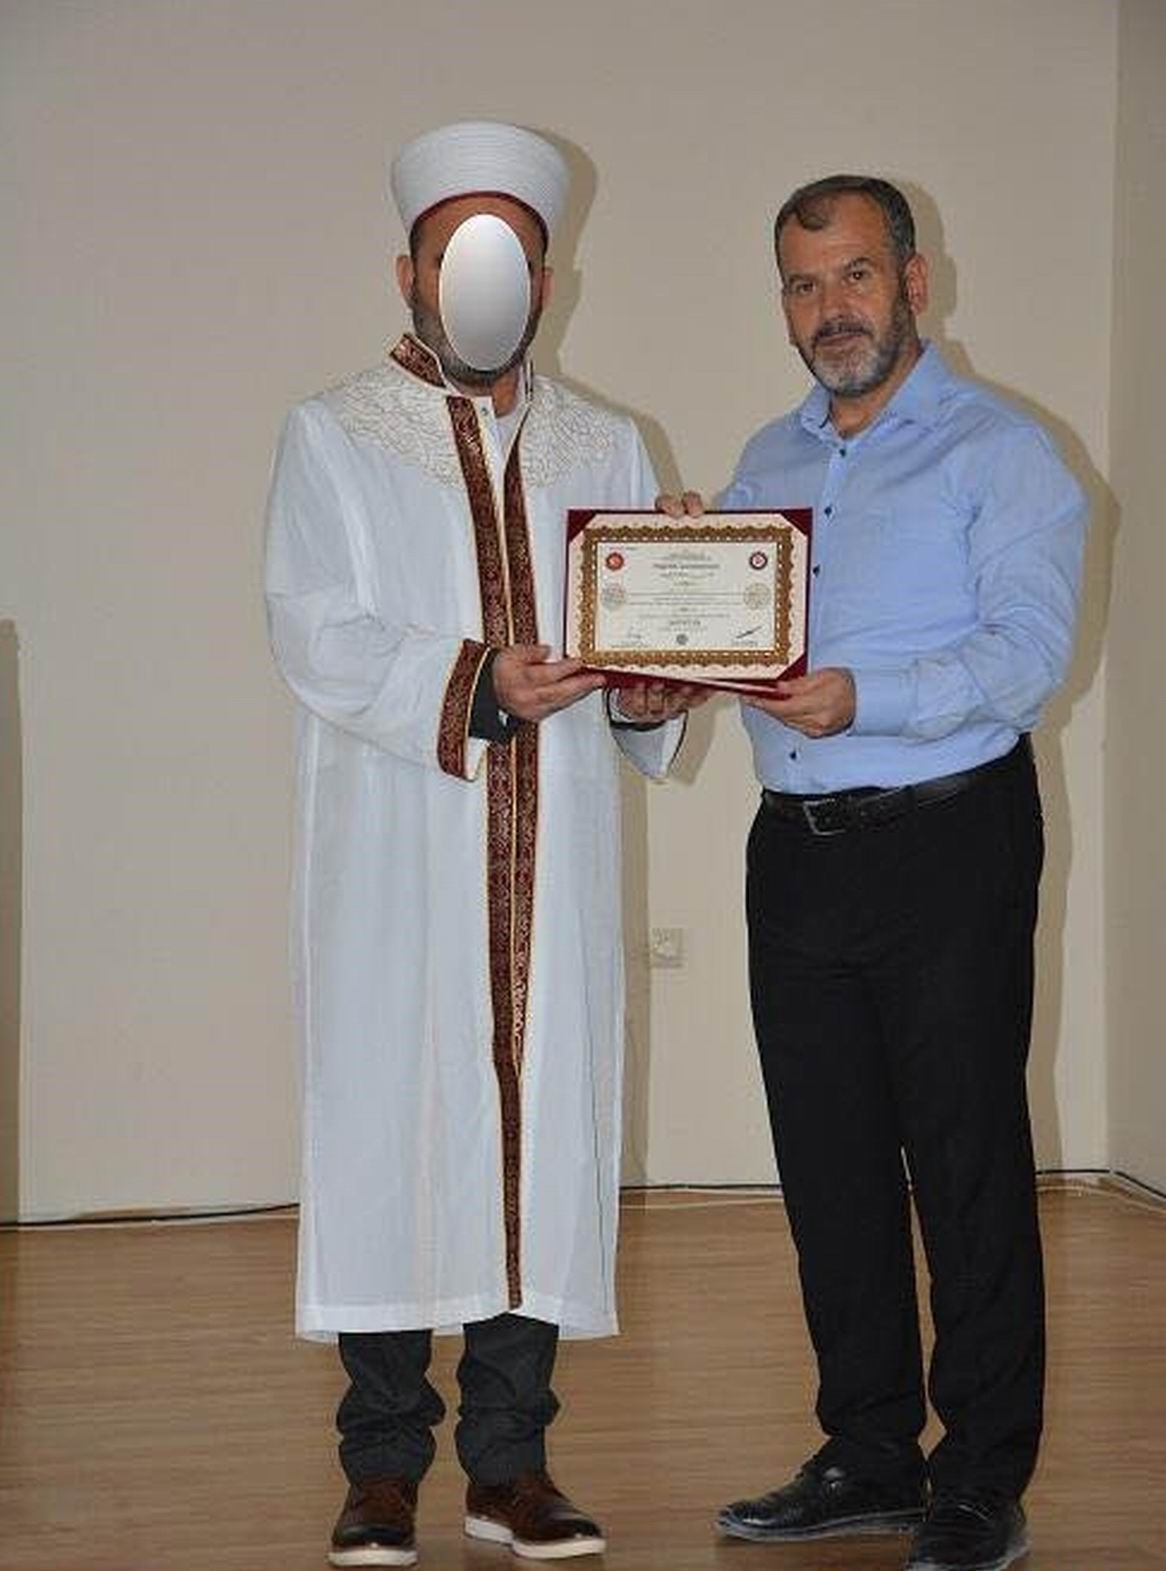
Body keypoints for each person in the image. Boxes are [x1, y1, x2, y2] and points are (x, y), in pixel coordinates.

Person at [264, 120, 699, 1568]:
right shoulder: (334, 433)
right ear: (409, 273)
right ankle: (382, 1467)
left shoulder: (605, 442)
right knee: (392, 1126)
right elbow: (317, 632)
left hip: (554, 857)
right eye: (453, 255)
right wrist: (478, 684)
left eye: (507, 259)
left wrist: (652, 687)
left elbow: (632, 651)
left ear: (546, 282)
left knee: (540, 1136)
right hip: (401, 849)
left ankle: (509, 1468)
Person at [663, 175, 1086, 1571]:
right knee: (827, 1169)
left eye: (852, 275)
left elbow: (1027, 656)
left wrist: (870, 697)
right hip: (793, 854)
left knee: (965, 1166)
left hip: (947, 839)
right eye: (802, 284)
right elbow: (719, 641)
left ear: (912, 280)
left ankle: (979, 1476)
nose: (828, 309)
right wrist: (657, 645)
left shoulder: (1001, 450)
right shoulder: (764, 460)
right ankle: (865, 1452)